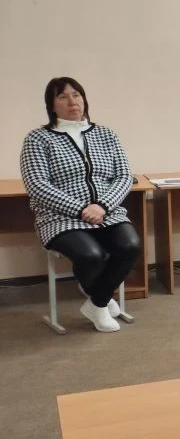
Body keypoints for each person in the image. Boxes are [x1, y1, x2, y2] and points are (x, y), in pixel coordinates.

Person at [19, 77, 141, 333]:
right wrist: (81, 209)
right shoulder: (38, 139)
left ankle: (96, 302)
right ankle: (102, 299)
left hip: (108, 212)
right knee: (90, 255)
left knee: (130, 246)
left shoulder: (106, 134)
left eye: (76, 95)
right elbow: (37, 185)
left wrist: (102, 206)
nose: (72, 102)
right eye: (63, 97)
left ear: (84, 99)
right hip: (60, 217)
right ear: (52, 105)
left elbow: (123, 176)